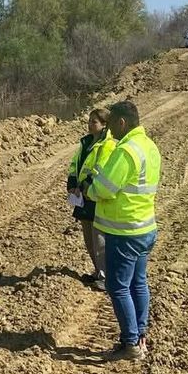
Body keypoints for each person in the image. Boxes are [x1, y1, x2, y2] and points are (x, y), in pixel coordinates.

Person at [83, 101, 161, 361]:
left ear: (122, 122)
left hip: (125, 231)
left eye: (112, 123)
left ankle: (130, 344)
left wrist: (90, 190)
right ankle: (140, 334)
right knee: (138, 282)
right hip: (144, 227)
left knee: (117, 286)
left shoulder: (126, 150)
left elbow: (104, 188)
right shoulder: (148, 146)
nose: (109, 130)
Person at [67, 109, 114, 291]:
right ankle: (97, 271)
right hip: (82, 196)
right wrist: (72, 182)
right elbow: (75, 163)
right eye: (89, 121)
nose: (89, 124)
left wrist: (85, 185)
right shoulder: (86, 142)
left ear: (104, 125)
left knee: (99, 238)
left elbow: (100, 169)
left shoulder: (107, 145)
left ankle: (105, 276)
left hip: (94, 195)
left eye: (94, 122)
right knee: (88, 236)